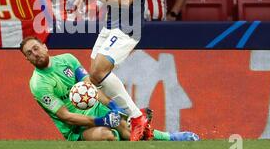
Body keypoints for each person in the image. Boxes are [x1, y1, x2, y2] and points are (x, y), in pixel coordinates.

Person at [21, 36, 200, 141]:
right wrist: (101, 121)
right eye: (30, 53)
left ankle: (170, 137)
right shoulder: (38, 84)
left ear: (45, 46)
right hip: (77, 130)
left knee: (127, 126)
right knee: (108, 136)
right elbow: (66, 117)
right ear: (27, 60)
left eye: (36, 48)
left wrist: (112, 105)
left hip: (98, 109)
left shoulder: (68, 59)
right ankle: (127, 126)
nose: (35, 54)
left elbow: (91, 88)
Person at [74, 0, 150, 141]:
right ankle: (126, 116)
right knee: (95, 72)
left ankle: (136, 117)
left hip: (128, 26)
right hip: (110, 23)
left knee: (98, 70)